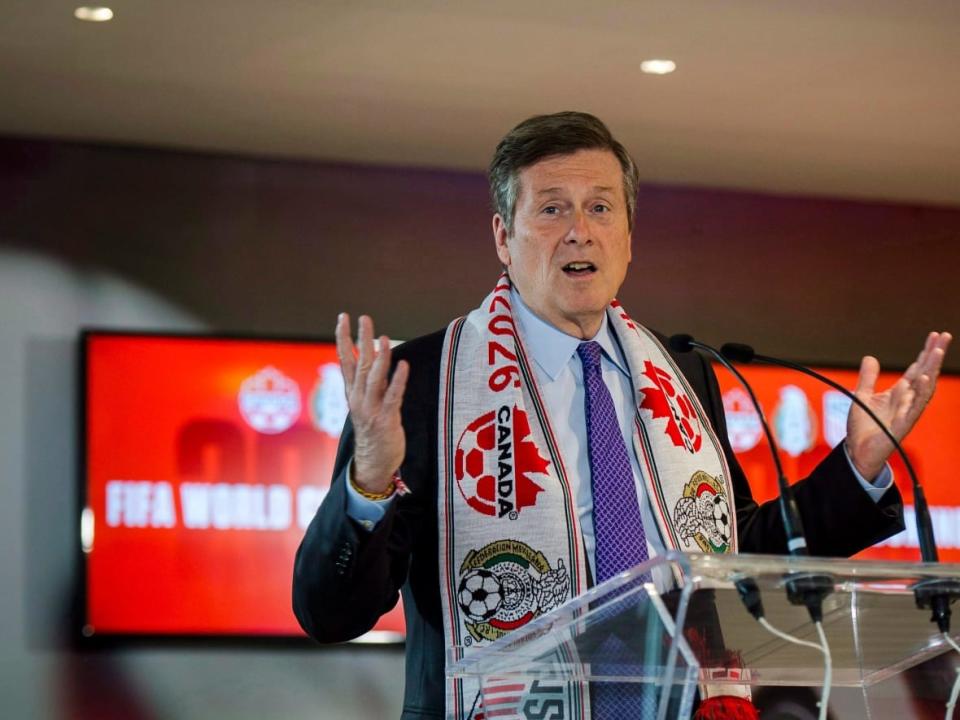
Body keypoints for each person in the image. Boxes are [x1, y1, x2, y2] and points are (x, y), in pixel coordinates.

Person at [293, 112, 951, 720]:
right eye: (551, 209)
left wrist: (857, 470)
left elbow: (736, 561)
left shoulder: (684, 372)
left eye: (600, 208)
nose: (580, 230)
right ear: (503, 235)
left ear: (628, 238)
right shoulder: (424, 382)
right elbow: (330, 613)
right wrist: (369, 484)